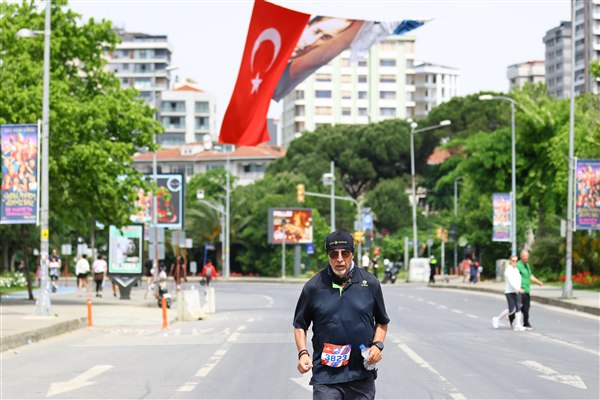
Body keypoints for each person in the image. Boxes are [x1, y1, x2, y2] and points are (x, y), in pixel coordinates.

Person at [293, 231, 390, 399]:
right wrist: (303, 353)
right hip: (325, 377)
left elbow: (382, 321)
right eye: (334, 254)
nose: (339, 259)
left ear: (352, 254)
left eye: (345, 253)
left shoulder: (370, 283)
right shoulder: (313, 287)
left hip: (361, 375)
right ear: (328, 256)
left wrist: (377, 345)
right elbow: (300, 324)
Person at [273, 17, 364, 101]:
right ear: (307, 25)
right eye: (316, 32)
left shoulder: (283, 73)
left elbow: (319, 56)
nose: (309, 42)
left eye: (325, 38)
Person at [492, 256, 525, 331]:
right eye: (513, 260)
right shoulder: (508, 270)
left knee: (519, 307)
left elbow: (519, 280)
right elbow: (511, 282)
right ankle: (497, 319)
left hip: (517, 291)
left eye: (516, 261)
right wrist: (518, 289)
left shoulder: (516, 269)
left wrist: (520, 287)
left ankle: (518, 324)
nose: (515, 262)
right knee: (511, 309)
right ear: (510, 261)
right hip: (510, 292)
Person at [516, 250, 543, 331]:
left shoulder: (527, 265)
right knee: (524, 307)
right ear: (521, 257)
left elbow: (530, 276)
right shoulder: (518, 265)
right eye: (524, 256)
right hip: (520, 289)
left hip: (527, 289)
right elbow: (514, 277)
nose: (526, 258)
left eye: (527, 256)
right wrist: (518, 287)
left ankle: (512, 315)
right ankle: (526, 323)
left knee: (526, 307)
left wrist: (538, 282)